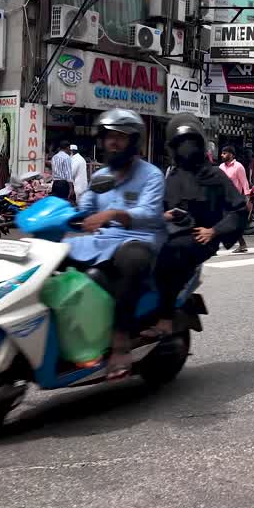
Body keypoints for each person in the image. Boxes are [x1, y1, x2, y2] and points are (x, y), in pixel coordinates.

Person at [69, 109, 166, 380]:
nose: (113, 143)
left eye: (120, 138)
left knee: (131, 261)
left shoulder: (151, 175)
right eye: (109, 137)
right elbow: (85, 208)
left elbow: (149, 215)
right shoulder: (101, 176)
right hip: (101, 241)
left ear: (133, 142)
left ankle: (121, 340)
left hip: (139, 240)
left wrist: (114, 215)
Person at [150, 114, 246, 337]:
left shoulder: (215, 175)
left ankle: (164, 317)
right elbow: (159, 206)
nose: (186, 149)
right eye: (180, 144)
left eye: (190, 143)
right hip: (170, 231)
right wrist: (163, 215)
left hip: (199, 236)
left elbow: (239, 209)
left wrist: (214, 231)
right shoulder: (173, 175)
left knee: (170, 254)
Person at [218, 145, 250, 254]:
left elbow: (244, 183)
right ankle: (242, 244)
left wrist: (247, 199)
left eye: (224, 153)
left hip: (234, 200)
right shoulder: (221, 167)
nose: (222, 155)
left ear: (231, 155)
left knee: (230, 224)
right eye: (222, 153)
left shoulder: (238, 167)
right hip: (222, 199)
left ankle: (242, 244)